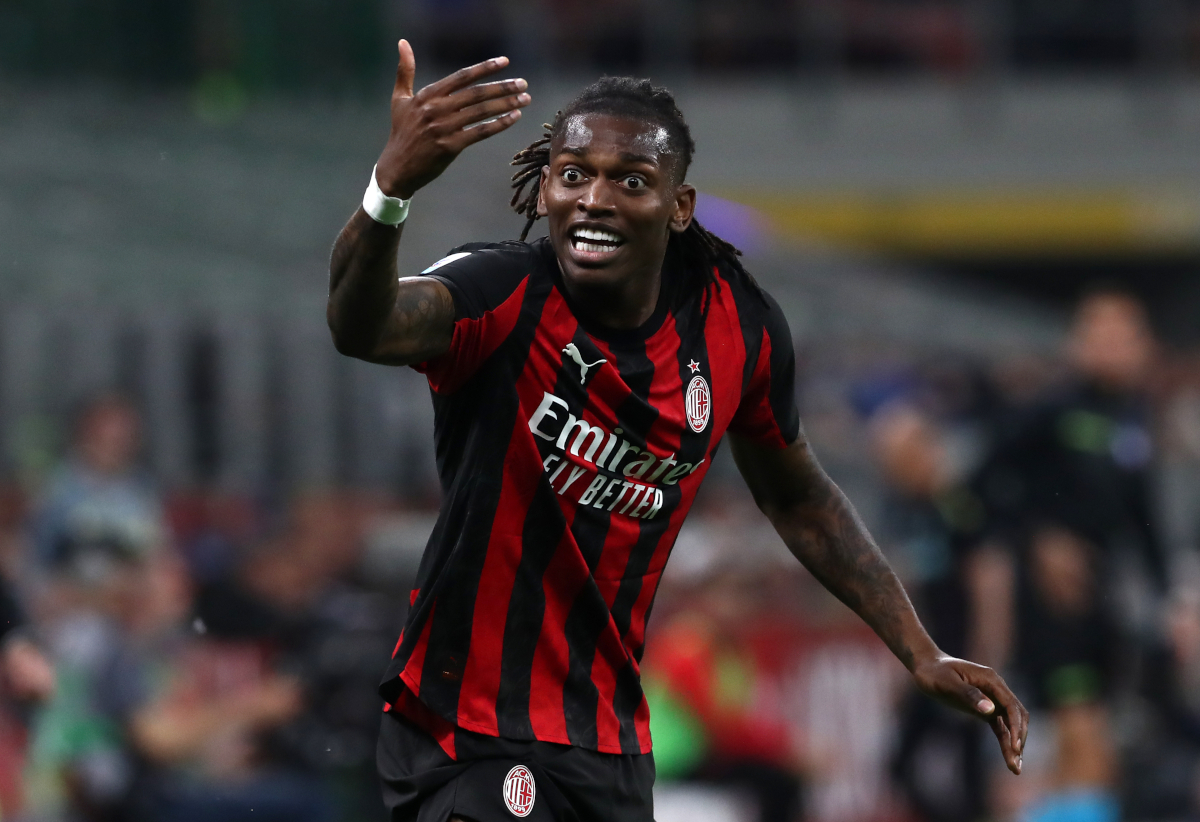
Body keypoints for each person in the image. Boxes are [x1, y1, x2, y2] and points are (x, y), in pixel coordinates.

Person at [327, 40, 1028, 822]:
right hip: (468, 723)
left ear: (678, 205)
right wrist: (389, 190)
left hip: (610, 743)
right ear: (547, 191)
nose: (594, 198)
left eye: (630, 181)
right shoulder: (497, 294)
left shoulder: (739, 328)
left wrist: (918, 649)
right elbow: (366, 327)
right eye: (573, 175)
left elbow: (799, 499)